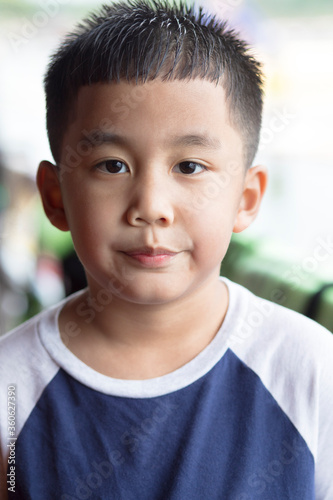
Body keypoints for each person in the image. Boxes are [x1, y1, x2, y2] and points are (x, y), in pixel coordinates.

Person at [0, 1, 332, 498]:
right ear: (55, 197)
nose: (151, 207)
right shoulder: (10, 389)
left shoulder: (309, 370)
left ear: (246, 199)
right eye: (112, 166)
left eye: (190, 166)